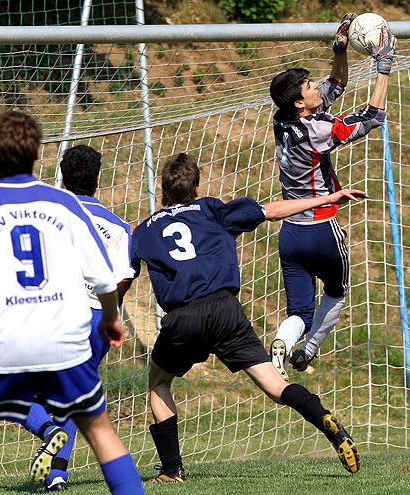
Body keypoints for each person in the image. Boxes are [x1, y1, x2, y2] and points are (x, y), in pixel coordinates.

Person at [0, 112, 144, 495]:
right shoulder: (64, 204)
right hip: (65, 333)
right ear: (37, 153)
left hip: (1, 335)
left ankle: (47, 437)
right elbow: (103, 278)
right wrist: (111, 318)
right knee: (101, 431)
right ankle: (56, 450)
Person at [130, 153, 365, 483]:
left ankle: (172, 471)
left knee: (158, 383)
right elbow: (273, 210)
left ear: (163, 190)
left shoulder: (144, 231)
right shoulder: (211, 209)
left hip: (183, 318)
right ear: (196, 188)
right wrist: (328, 197)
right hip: (226, 310)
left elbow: (123, 274)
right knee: (275, 385)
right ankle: (324, 418)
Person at [268, 14, 397, 380]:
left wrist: (339, 52)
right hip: (322, 230)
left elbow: (335, 85)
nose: (316, 87)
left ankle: (282, 342)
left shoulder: (282, 120)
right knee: (337, 293)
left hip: (290, 234)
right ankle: (308, 350)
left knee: (299, 312)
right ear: (300, 102)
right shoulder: (320, 129)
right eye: (310, 85)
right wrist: (383, 66)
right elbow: (372, 116)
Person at [20, 144, 135, 491]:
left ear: (62, 178)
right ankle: (57, 474)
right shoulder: (118, 227)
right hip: (96, 318)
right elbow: (123, 277)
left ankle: (47, 430)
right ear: (98, 180)